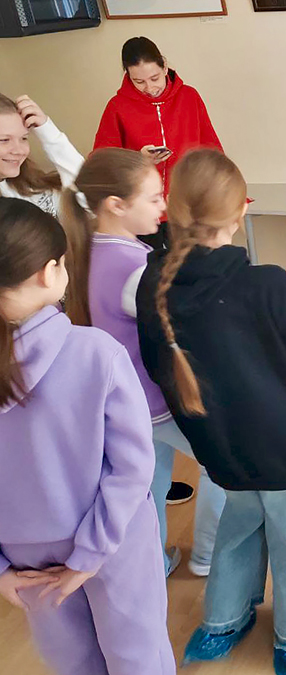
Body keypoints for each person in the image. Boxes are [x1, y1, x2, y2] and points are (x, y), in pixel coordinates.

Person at [135, 149, 286, 674]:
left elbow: (160, 370)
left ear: (174, 210)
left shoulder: (153, 285)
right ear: (240, 212)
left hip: (217, 446)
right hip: (283, 445)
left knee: (238, 525)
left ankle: (222, 623)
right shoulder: (273, 286)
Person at [0, 198, 175, 675]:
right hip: (112, 537)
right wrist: (91, 552)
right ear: (48, 272)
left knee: (71, 662)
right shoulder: (97, 352)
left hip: (22, 554)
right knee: (139, 655)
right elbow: (133, 466)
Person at [58, 147, 225, 578]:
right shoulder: (135, 267)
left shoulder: (84, 252)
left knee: (150, 485)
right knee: (223, 466)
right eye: (153, 198)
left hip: (122, 402)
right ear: (116, 205)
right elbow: (184, 328)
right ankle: (208, 555)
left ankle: (154, 564)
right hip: (154, 400)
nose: (163, 206)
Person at [94, 36, 223, 251]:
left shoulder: (189, 97)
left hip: (185, 205)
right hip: (140, 209)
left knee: (192, 266)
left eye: (154, 78)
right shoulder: (117, 107)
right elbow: (101, 161)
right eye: (139, 82)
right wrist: (138, 159)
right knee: (147, 269)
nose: (149, 87)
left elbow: (211, 148)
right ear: (128, 75)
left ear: (164, 66)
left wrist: (221, 192)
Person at [0, 94, 83, 216]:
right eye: (4, 140)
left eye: (24, 138)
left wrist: (47, 130)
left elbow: (91, 198)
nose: (19, 150)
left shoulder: (33, 187)